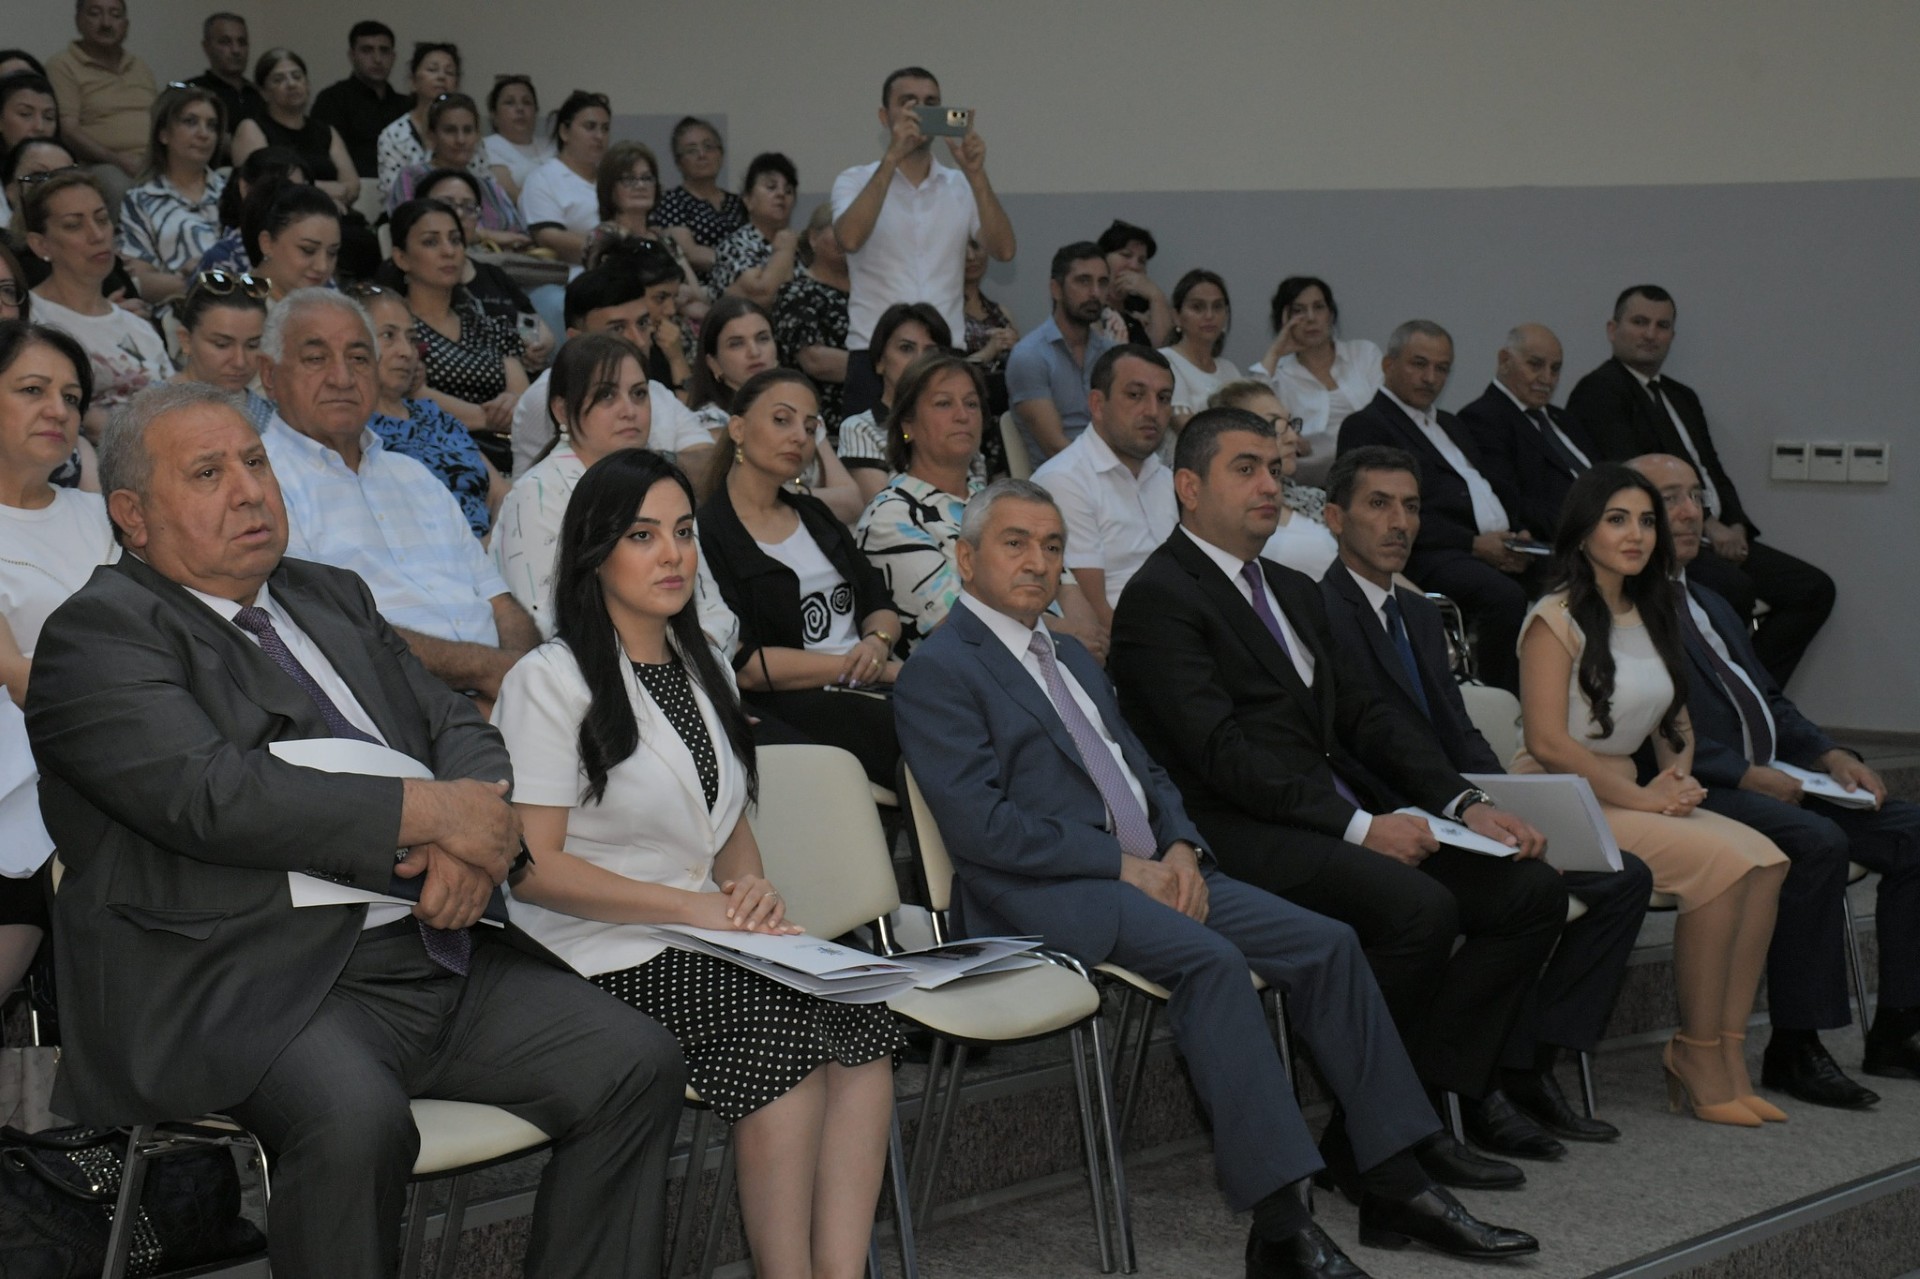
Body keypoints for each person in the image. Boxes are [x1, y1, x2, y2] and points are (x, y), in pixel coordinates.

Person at [27, 378, 685, 1277]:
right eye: (209, 473)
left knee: (634, 1060)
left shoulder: (330, 595)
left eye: (255, 462)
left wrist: (472, 843)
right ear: (132, 516)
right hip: (249, 977)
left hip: (428, 943)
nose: (250, 490)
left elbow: (453, 723)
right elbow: (211, 795)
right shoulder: (98, 634)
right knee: (354, 1120)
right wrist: (434, 814)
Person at [896, 476, 1539, 1273]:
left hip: (1151, 869)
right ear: (966, 559)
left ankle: (1393, 1180)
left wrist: (1179, 846)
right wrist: (1121, 864)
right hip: (1039, 892)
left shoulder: (1070, 658)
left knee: (1329, 944)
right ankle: (1281, 1225)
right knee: (1212, 961)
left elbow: (1145, 770)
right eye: (1015, 543)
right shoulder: (940, 669)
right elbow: (981, 828)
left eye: (1053, 546)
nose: (1038, 561)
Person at [1108, 407, 1564, 1192]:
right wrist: (1359, 827)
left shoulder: (1291, 587)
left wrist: (1462, 802)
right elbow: (1221, 755)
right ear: (1188, 486)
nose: (1270, 484)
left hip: (1327, 813)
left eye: (1274, 469)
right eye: (1245, 468)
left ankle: (1413, 1106)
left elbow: (1366, 713)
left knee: (1529, 893)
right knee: (1419, 910)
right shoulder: (1160, 597)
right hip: (1236, 830)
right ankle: (1384, 1143)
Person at [496, 446, 895, 1279]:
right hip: (588, 946)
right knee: (780, 1038)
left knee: (864, 1020)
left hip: (697, 930)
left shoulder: (702, 664)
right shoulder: (548, 679)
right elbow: (532, 868)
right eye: (643, 535)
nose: (673, 553)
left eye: (683, 531)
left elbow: (725, 819)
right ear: (594, 552)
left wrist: (749, 889)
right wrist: (697, 907)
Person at [1319, 445, 1653, 1151]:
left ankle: (1522, 1060)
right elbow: (1353, 746)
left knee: (1623, 878)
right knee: (1529, 891)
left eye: (1411, 507)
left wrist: (1500, 802)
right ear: (1333, 517)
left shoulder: (1416, 612)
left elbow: (1459, 729)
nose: (1400, 522)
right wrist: (1464, 810)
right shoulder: (1320, 611)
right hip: (1398, 818)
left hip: (1460, 806)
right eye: (1379, 504)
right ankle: (1466, 1083)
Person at [1631, 452, 1920, 1105]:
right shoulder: (1627, 611)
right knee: (1815, 841)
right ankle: (1795, 1044)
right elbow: (1648, 734)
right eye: (1667, 498)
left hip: (1773, 776)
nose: (1688, 512)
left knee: (1911, 831)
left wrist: (1830, 754)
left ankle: (1900, 1026)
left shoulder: (1709, 600)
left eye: (1694, 496)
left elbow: (1768, 700)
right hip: (1694, 787)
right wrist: (1746, 774)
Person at [1514, 463, 1788, 1126]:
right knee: (1724, 866)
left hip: (1625, 792)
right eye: (1616, 520)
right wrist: (1643, 798)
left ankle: (1727, 1052)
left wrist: (1680, 775)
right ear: (1583, 531)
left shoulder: (1653, 608)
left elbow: (1675, 720)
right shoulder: (1553, 617)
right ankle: (1696, 1052)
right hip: (1558, 796)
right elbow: (1548, 742)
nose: (1635, 534)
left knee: (1768, 859)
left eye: (1644, 520)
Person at [257, 288, 539, 705]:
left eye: (359, 359)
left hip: (504, 695)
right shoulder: (260, 484)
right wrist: (491, 674)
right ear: (269, 375)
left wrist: (525, 676)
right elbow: (331, 633)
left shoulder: (413, 474)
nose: (342, 378)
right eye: (316, 358)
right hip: (395, 707)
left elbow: (499, 601)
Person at [1568, 285, 1836, 685]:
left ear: (1672, 335)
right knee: (1735, 589)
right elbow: (1635, 479)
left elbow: (1711, 469)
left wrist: (1736, 524)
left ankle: (1755, 691)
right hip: (1665, 539)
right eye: (1639, 322)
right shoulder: (1599, 391)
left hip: (1718, 533)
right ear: (1612, 329)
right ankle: (1723, 691)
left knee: (1813, 590)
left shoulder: (1681, 396)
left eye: (1662, 326)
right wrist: (1707, 524)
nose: (1651, 334)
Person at [697, 368, 902, 786]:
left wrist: (877, 643)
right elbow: (746, 665)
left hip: (867, 680)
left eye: (810, 428)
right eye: (782, 420)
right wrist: (866, 668)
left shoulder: (814, 514)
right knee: (928, 726)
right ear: (737, 428)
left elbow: (878, 601)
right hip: (795, 701)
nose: (799, 437)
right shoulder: (708, 531)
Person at [0, 322, 117, 1007]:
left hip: (108, 766)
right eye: (32, 390)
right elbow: (14, 676)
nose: (58, 410)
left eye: (71, 398)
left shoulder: (104, 517)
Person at [492, 333, 733, 652]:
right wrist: (661, 659)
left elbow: (713, 610)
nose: (629, 411)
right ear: (562, 410)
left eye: (639, 394)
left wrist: (691, 661)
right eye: (606, 396)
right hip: (586, 675)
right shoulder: (535, 495)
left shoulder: (662, 487)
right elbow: (546, 624)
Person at [1338, 321, 1536, 693]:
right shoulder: (1367, 425)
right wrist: (1474, 545)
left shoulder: (1451, 424)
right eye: (1419, 364)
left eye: (1442, 368)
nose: (1431, 377)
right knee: (1504, 597)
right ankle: (1498, 700)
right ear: (1388, 364)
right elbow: (1380, 513)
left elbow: (1485, 487)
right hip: (1427, 552)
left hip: (1486, 547)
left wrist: (1515, 535)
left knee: (1570, 574)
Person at [832, 67, 1014, 417]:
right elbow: (849, 238)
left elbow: (1004, 250)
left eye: (930, 103)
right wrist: (892, 157)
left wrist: (976, 174)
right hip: (874, 354)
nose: (919, 111)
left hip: (943, 352)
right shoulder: (854, 180)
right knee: (872, 450)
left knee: (946, 448)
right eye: (908, 103)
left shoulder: (961, 185)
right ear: (884, 117)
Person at [509, 260, 714, 477]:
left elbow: (709, 465)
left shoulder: (654, 390)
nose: (638, 340)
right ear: (575, 338)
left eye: (642, 323)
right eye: (617, 329)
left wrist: (653, 459)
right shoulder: (550, 394)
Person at [1031, 344, 1176, 627]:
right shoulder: (1064, 481)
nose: (1153, 411)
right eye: (1135, 395)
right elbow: (1094, 613)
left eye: (1163, 398)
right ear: (1097, 404)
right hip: (1126, 639)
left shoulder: (1166, 477)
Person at [22, 171, 172, 437]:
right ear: (41, 245)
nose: (97, 234)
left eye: (102, 219)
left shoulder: (139, 328)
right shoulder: (28, 318)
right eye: (73, 225)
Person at [386, 196, 528, 474]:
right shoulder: (394, 329)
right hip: (432, 458)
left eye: (455, 240)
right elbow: (412, 396)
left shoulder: (487, 324)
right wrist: (490, 418)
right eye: (431, 242)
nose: (448, 251)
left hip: (511, 453)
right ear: (401, 258)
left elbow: (522, 396)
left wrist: (514, 403)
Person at [691, 295, 861, 520]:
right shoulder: (706, 422)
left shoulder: (803, 413)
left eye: (762, 338)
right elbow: (744, 500)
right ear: (713, 363)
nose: (754, 352)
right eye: (737, 343)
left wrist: (789, 496)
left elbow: (852, 502)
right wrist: (809, 499)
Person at [360, 283, 503, 538]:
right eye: (389, 336)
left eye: (412, 339)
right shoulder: (355, 431)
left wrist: (494, 543)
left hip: (492, 546)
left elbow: (501, 493)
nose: (406, 352)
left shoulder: (434, 416)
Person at [1456, 324, 1596, 543]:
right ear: (1505, 361)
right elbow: (1510, 503)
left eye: (1555, 369)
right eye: (1535, 365)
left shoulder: (1564, 419)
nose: (1547, 379)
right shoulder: (1482, 418)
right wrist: (1587, 528)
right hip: (1562, 542)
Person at [1250, 276, 1383, 486]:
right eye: (1299, 310)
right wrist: (1275, 352)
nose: (1311, 318)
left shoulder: (1363, 354)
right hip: (1312, 479)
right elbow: (1250, 412)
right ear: (1283, 319)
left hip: (1374, 467)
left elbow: (1386, 414)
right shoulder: (1279, 373)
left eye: (1319, 307)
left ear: (1331, 314)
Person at [410, 168, 551, 357]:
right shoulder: (411, 275)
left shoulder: (493, 274)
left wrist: (534, 344)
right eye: (446, 204)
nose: (459, 213)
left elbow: (528, 321)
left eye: (469, 207)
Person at [1208, 379, 1339, 578]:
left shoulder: (1313, 500)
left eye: (1290, 424)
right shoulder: (1220, 515)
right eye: (1275, 426)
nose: (1293, 438)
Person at [1005, 242, 1115, 461]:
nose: (1095, 293)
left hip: (1112, 468)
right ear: (1056, 289)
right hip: (1061, 475)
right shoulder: (1030, 356)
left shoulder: (1111, 354)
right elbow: (1054, 447)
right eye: (1084, 281)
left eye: (1102, 283)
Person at [117, 83, 225, 304]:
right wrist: (204, 282)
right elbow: (139, 281)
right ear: (164, 134)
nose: (204, 134)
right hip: (177, 311)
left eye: (212, 125)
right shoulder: (140, 199)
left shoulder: (233, 190)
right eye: (190, 122)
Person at [836, 301, 955, 502]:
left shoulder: (957, 423)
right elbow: (884, 507)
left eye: (930, 352)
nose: (919, 361)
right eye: (906, 348)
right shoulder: (861, 429)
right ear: (880, 362)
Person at [44, 0, 156, 207]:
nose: (106, 23)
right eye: (95, 13)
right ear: (78, 21)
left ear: (126, 25)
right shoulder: (63, 65)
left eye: (115, 15)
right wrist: (119, 160)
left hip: (153, 160)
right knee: (118, 187)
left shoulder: (139, 66)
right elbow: (69, 130)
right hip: (101, 164)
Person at [386, 93, 531, 250]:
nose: (461, 140)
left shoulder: (489, 187)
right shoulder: (412, 178)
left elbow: (520, 237)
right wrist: (484, 235)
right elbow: (408, 232)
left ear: (477, 136)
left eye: (468, 131)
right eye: (450, 130)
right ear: (432, 136)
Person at [229, 49, 360, 215]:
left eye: (297, 76)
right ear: (263, 91)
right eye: (279, 79)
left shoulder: (326, 131)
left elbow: (352, 185)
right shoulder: (252, 128)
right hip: (280, 219)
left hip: (336, 214)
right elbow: (260, 188)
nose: (291, 84)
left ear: (307, 83)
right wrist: (319, 193)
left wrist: (329, 197)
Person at [583, 141, 701, 299]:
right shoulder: (604, 237)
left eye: (647, 178)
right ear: (609, 188)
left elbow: (698, 294)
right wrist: (677, 292)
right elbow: (618, 295)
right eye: (629, 179)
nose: (640, 185)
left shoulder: (665, 241)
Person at [772, 202, 851, 436]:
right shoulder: (796, 293)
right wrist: (883, 366)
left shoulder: (873, 292)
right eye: (838, 228)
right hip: (819, 425)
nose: (847, 236)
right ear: (814, 237)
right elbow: (814, 360)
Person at [375, 44, 489, 202]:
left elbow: (485, 187)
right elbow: (393, 196)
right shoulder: (394, 135)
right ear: (413, 81)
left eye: (449, 72)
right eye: (432, 70)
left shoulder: (468, 132)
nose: (441, 77)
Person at [169, 267, 275, 428]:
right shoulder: (149, 414)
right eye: (222, 345)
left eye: (253, 345)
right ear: (186, 340)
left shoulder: (273, 417)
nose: (240, 361)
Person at [309, 21, 409, 183]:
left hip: (403, 188)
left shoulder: (407, 105)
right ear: (352, 55)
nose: (377, 59)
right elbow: (323, 157)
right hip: (351, 187)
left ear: (393, 57)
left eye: (384, 51)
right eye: (367, 50)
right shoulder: (332, 100)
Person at [520, 91, 612, 266]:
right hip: (571, 274)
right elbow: (549, 237)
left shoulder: (612, 178)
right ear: (564, 132)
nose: (599, 136)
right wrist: (612, 249)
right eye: (590, 127)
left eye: (605, 128)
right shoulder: (543, 179)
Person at [649, 117, 744, 281]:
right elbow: (688, 253)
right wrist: (742, 264)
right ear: (679, 162)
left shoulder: (739, 202)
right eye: (692, 150)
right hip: (699, 288)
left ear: (721, 154)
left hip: (747, 285)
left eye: (708, 147)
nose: (702, 155)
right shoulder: (672, 201)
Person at [191, 143, 303, 277]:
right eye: (282, 188)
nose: (291, 199)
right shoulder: (224, 258)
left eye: (299, 192)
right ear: (245, 188)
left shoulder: (309, 249)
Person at [708, 152, 799, 308]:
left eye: (788, 190)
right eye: (771, 187)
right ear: (748, 199)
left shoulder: (798, 247)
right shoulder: (734, 245)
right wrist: (784, 251)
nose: (781, 194)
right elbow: (761, 296)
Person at [1161, 268, 1241, 430]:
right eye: (1198, 307)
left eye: (1217, 307)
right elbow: (1186, 428)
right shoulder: (1165, 361)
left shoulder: (1230, 369)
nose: (1209, 315)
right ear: (1176, 316)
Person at [960, 234, 1017, 449]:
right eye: (962, 248)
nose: (971, 256)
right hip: (963, 418)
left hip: (1004, 421)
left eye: (976, 246)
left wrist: (1018, 348)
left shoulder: (1001, 312)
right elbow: (938, 373)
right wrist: (987, 352)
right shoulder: (942, 313)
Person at [242, 179, 340, 300]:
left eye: (332, 253)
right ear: (267, 244)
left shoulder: (333, 305)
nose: (322, 266)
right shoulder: (231, 306)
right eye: (308, 250)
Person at [186, 12, 261, 163]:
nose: (236, 50)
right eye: (225, 42)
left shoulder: (260, 94)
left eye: (242, 42)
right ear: (206, 47)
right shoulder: (191, 92)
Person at [1097, 219, 1172, 348]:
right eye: (1126, 255)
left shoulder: (1143, 308)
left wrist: (1156, 296)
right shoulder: (1090, 305)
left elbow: (1165, 350)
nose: (1134, 266)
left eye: (1141, 261)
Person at [482, 75, 549, 202]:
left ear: (536, 112)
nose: (520, 109)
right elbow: (511, 195)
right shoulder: (485, 147)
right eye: (509, 103)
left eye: (527, 102)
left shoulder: (551, 146)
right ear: (494, 115)